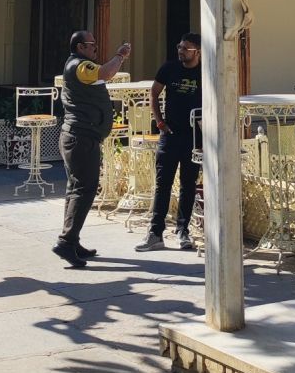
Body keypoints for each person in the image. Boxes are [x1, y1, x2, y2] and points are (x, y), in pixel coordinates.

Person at [53, 30, 130, 269]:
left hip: (80, 137)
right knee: (84, 190)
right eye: (91, 45)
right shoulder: (79, 66)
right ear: (79, 47)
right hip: (80, 138)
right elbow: (107, 73)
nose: (95, 49)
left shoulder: (82, 66)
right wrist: (120, 55)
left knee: (76, 189)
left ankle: (72, 240)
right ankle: (66, 242)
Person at [136, 32, 202, 252]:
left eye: (186, 48)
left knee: (188, 184)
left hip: (194, 136)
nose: (181, 51)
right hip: (170, 134)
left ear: (198, 51)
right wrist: (160, 122)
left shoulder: (206, 72)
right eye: (179, 46)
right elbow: (154, 93)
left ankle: (183, 231)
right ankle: (155, 233)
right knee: (163, 184)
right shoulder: (169, 68)